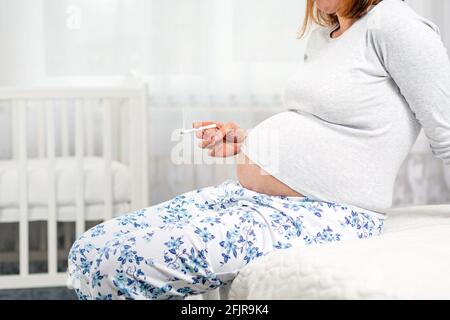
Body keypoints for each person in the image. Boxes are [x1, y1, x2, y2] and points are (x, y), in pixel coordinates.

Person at [67, 0, 450, 299]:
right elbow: (316, 124)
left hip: (327, 212)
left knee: (113, 264)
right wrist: (248, 140)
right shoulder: (324, 36)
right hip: (250, 197)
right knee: (88, 249)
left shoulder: (395, 24)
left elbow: (446, 129)